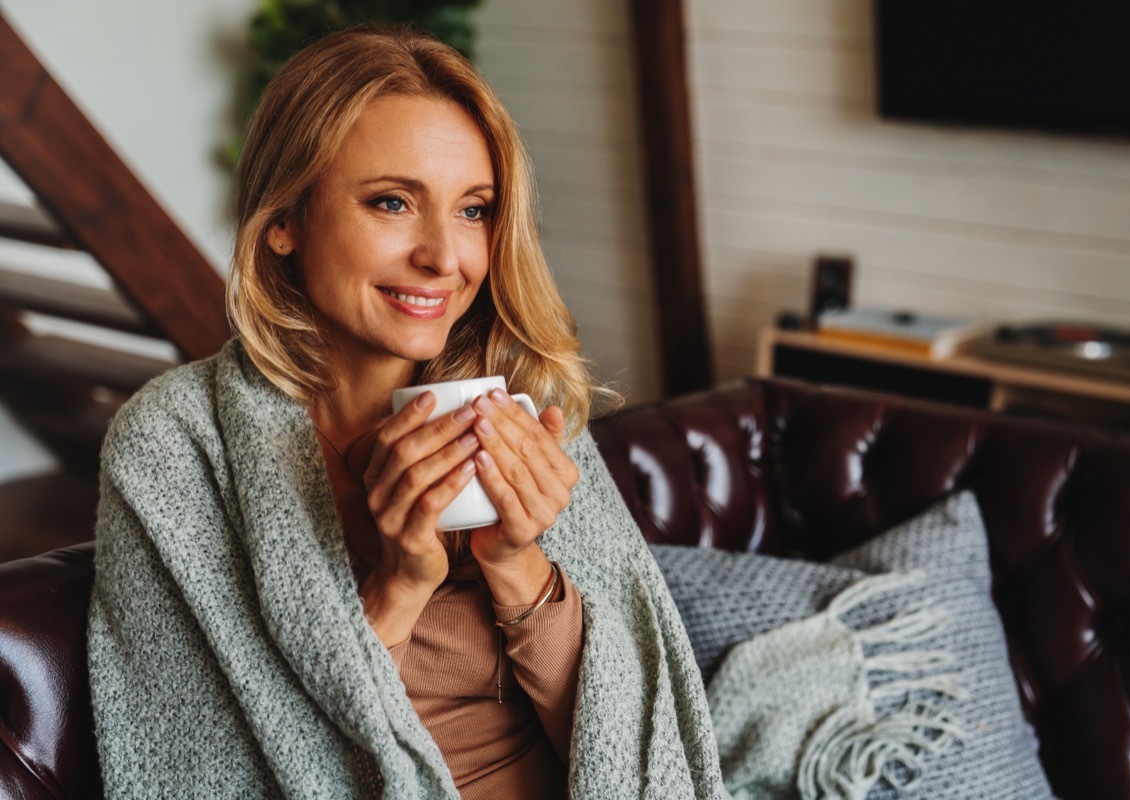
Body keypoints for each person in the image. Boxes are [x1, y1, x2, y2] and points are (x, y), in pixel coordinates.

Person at [87, 26, 727, 799]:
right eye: (393, 202)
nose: (443, 257)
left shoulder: (516, 395)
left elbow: (630, 752)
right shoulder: (178, 448)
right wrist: (400, 586)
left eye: (474, 211)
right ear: (284, 218)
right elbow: (210, 764)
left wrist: (516, 567)